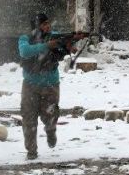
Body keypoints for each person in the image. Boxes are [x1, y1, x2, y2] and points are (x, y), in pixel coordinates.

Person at [18, 13, 83, 160]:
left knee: (51, 116)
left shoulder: (54, 36)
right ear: (37, 26)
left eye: (48, 23)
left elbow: (64, 46)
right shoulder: (25, 39)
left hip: (50, 85)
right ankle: (31, 151)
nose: (48, 26)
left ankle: (50, 131)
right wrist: (46, 45)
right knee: (28, 119)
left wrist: (71, 44)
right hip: (30, 85)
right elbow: (25, 52)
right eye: (44, 24)